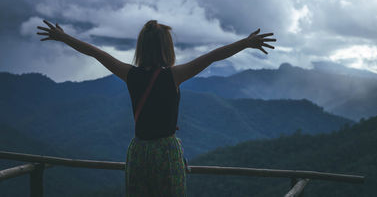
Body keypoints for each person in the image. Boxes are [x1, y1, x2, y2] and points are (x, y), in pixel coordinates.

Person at [36, 19, 276, 196]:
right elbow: (212, 56)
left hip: (139, 151)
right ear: (167, 47)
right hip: (166, 152)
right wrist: (246, 43)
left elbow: (96, 53)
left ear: (141, 47)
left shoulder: (129, 74)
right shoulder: (174, 75)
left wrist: (64, 37)